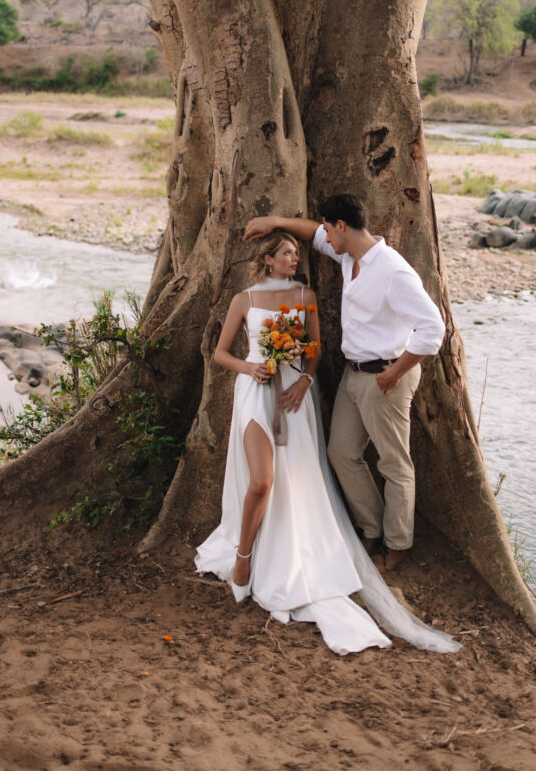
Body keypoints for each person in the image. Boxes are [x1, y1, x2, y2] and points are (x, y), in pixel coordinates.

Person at [195, 229, 459, 656]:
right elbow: (220, 354)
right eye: (286, 253)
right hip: (255, 393)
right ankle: (243, 557)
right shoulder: (242, 300)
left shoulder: (306, 296)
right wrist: (249, 368)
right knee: (261, 481)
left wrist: (303, 379)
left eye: (296, 252)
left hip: (294, 399)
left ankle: (306, 542)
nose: (294, 258)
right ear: (267, 260)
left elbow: (314, 350)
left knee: (297, 479)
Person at [244, 194, 445, 574]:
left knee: (394, 463)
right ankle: (371, 528)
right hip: (354, 374)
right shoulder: (349, 255)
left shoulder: (392, 271)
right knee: (341, 453)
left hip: (385, 377)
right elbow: (311, 233)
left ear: (342, 226)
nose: (323, 238)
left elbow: (434, 328)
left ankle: (397, 543)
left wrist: (396, 371)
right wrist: (274, 220)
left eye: (328, 228)